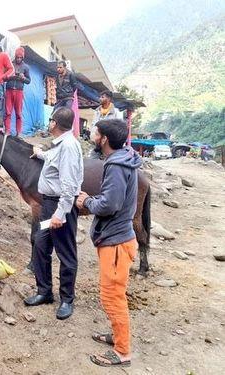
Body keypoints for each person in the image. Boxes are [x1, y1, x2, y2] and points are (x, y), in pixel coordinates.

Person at [75, 118, 141, 368]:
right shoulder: (124, 158)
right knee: (113, 293)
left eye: (95, 131)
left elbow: (110, 204)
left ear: (103, 139)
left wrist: (86, 202)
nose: (91, 132)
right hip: (117, 239)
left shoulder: (115, 166)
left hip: (115, 243)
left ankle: (122, 351)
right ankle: (117, 336)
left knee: (112, 296)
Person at [24, 107, 84, 320]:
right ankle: (44, 291)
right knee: (41, 245)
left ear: (54, 124)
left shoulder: (68, 146)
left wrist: (60, 214)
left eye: (50, 120)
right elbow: (53, 159)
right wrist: (40, 153)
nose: (49, 124)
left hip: (61, 207)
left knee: (66, 253)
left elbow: (68, 185)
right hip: (49, 207)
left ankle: (67, 299)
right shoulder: (61, 145)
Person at [4, 47, 30, 137]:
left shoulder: (26, 67)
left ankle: (18, 133)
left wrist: (23, 78)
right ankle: (7, 131)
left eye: (20, 57)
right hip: (9, 90)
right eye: (17, 57)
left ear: (23, 57)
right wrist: (11, 76)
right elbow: (4, 77)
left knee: (18, 113)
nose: (18, 59)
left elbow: (28, 81)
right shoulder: (10, 64)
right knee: (7, 112)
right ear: (15, 56)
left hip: (19, 91)